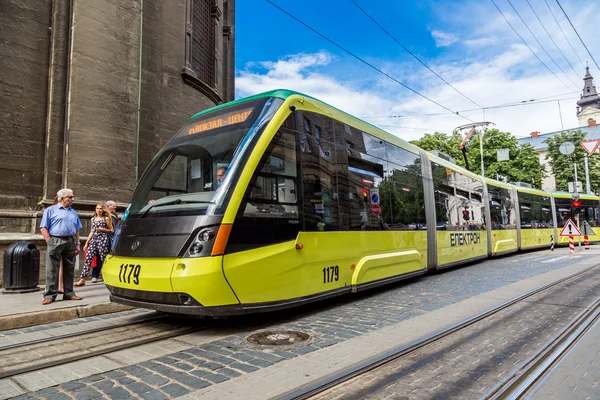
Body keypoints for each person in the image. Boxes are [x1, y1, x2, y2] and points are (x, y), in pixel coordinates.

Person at [39, 188, 83, 305]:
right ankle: (50, 295)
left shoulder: (73, 212)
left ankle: (69, 293)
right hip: (55, 240)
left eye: (72, 197)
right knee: (52, 269)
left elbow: (77, 229)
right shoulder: (50, 210)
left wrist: (78, 243)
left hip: (70, 241)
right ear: (62, 198)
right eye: (70, 197)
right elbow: (43, 227)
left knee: (69, 268)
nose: (72, 199)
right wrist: (50, 241)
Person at [75, 204, 114, 286]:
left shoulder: (106, 218)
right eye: (97, 208)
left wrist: (102, 229)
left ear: (103, 210)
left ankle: (109, 275)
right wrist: (86, 243)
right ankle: (82, 278)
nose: (99, 210)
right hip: (94, 239)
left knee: (104, 258)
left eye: (100, 209)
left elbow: (111, 230)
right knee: (88, 259)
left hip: (103, 239)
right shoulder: (93, 219)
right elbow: (92, 231)